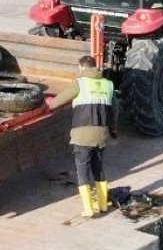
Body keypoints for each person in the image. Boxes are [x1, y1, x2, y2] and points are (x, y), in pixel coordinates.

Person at [48, 55, 118, 217]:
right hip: (101, 134)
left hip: (82, 135)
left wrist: (50, 102)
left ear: (82, 68)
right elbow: (115, 111)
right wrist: (113, 130)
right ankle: (102, 205)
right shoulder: (108, 84)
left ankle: (88, 209)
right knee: (98, 168)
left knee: (82, 170)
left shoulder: (80, 83)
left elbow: (55, 103)